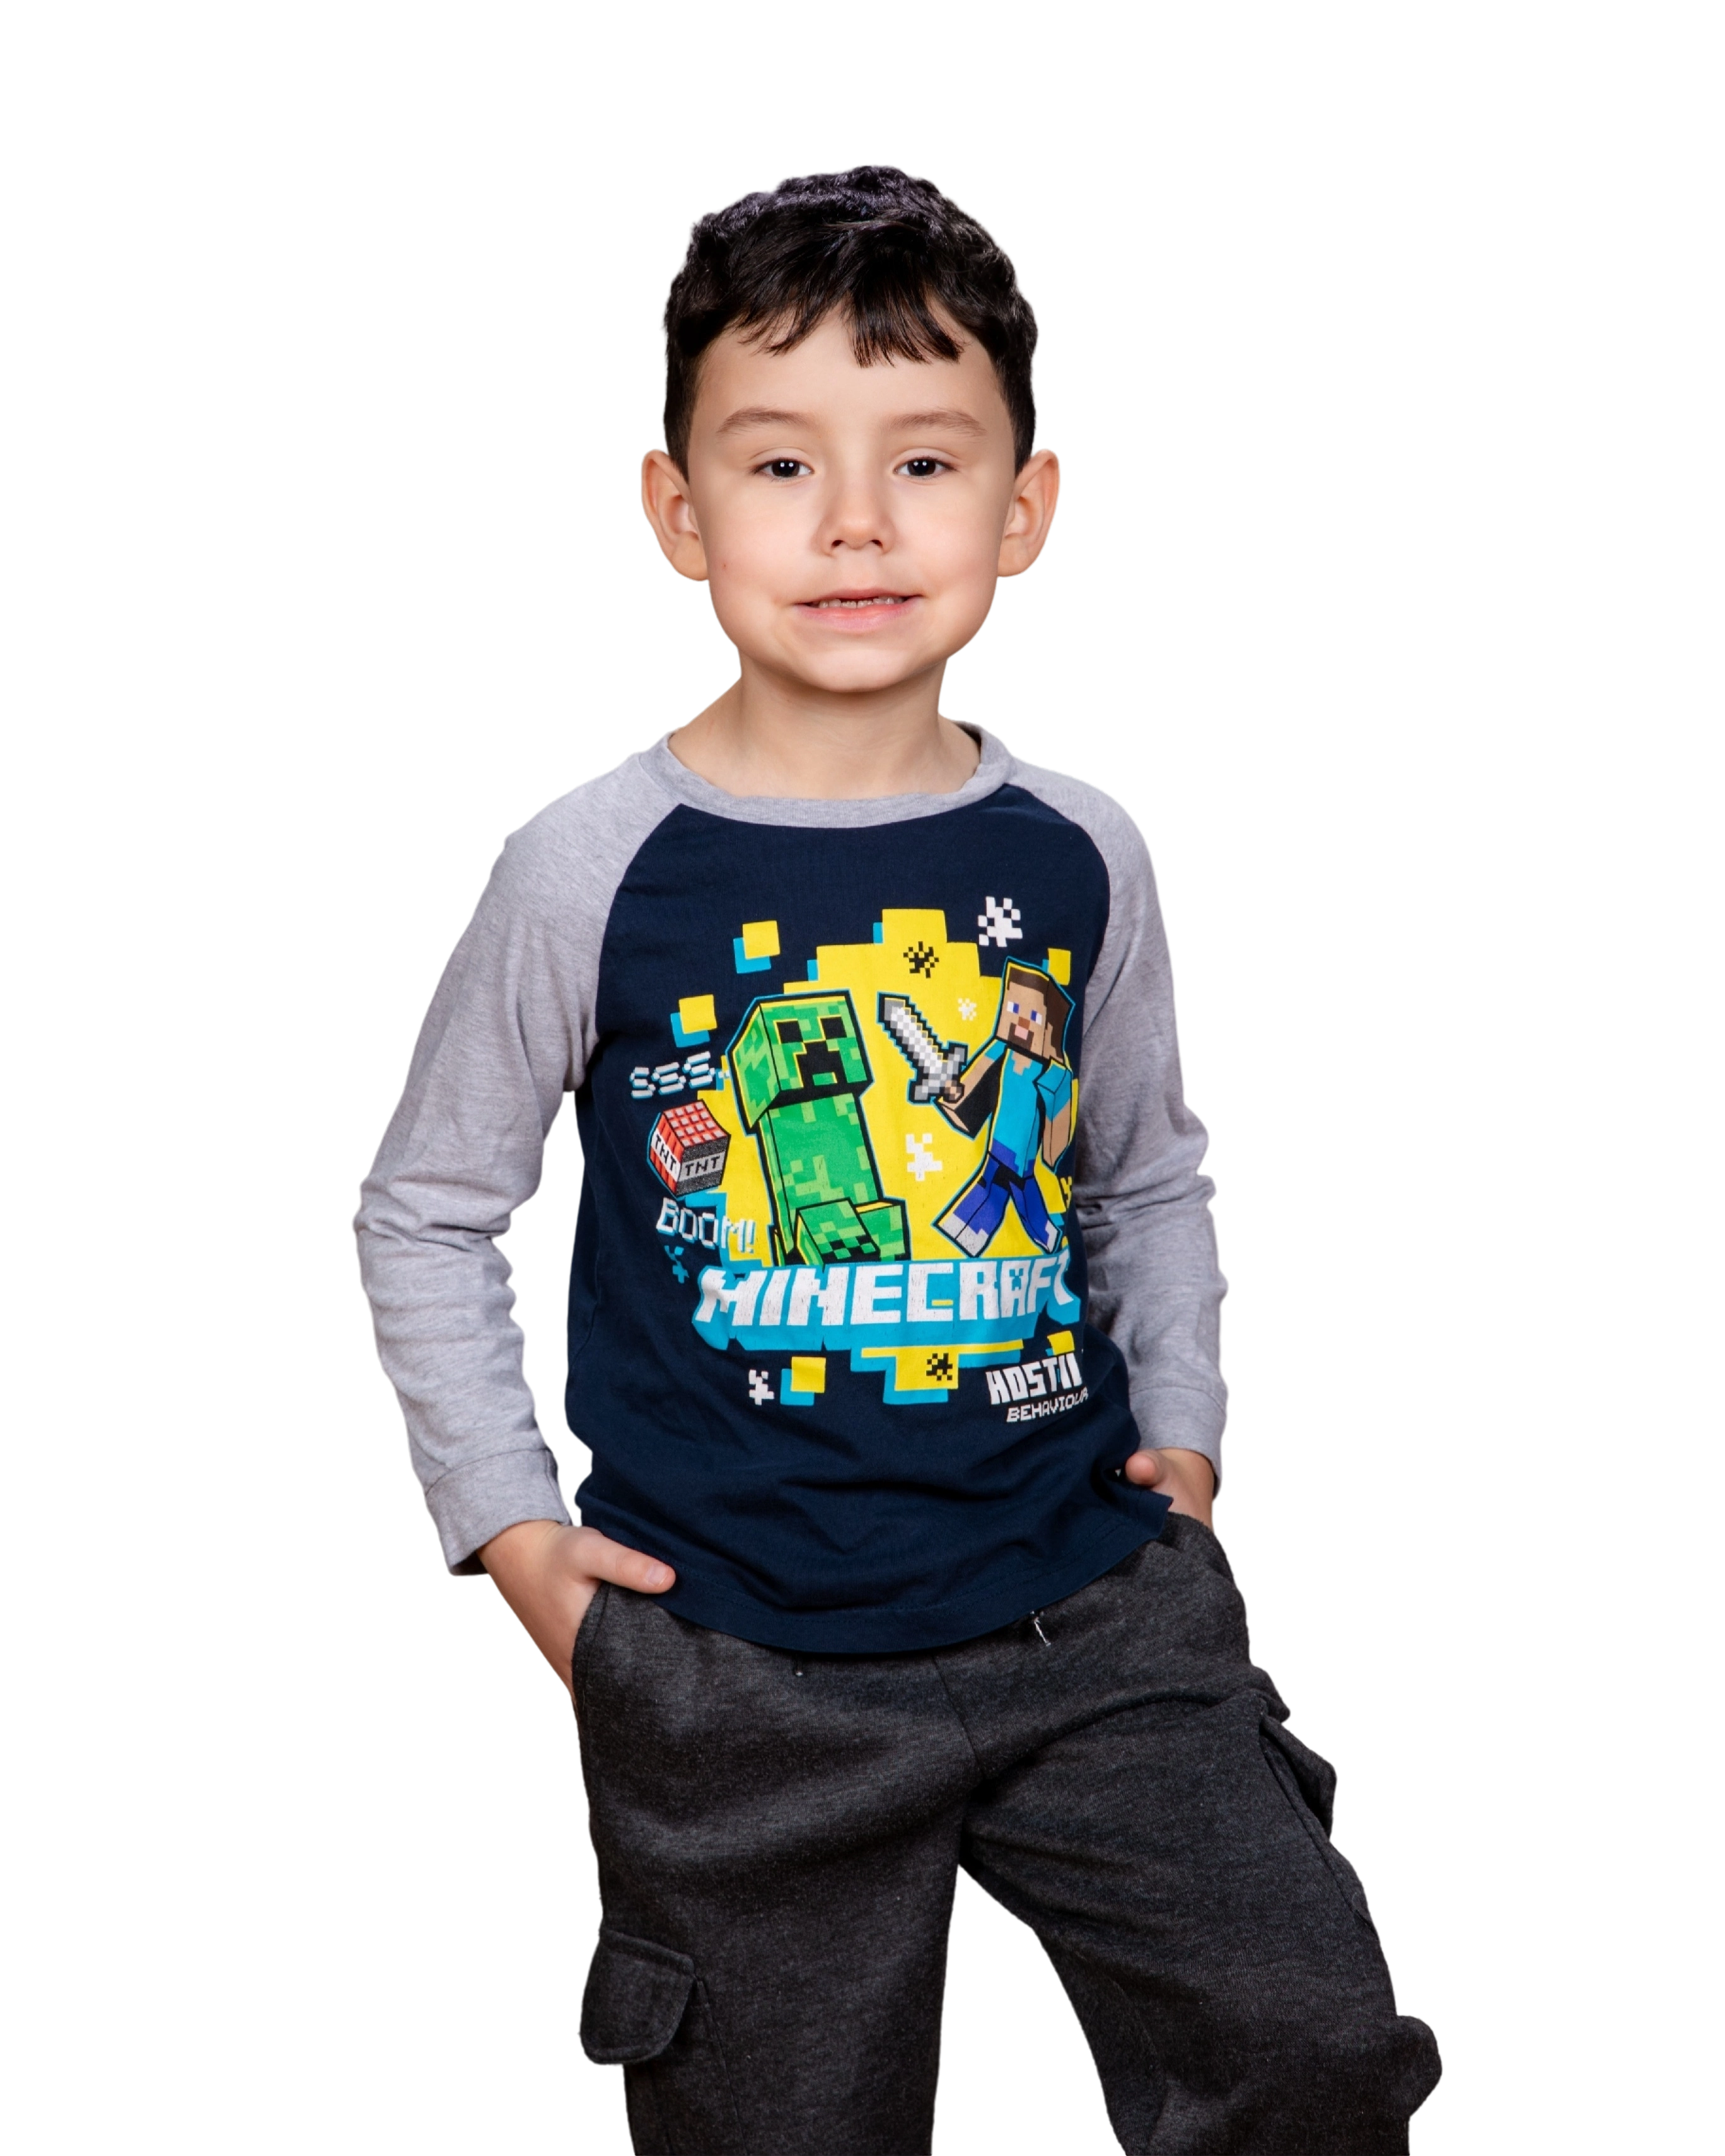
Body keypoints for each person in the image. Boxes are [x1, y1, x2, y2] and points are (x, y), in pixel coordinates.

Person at [351, 161, 1444, 2156]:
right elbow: (427, 1208)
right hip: (736, 1653)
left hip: (1092, 1610)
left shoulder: (1081, 849)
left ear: (1026, 505)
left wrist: (1188, 1437)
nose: (856, 521)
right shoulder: (586, 866)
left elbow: (1146, 1173)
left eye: (925, 460)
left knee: (1314, 2045)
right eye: (781, 464)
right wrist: (514, 1537)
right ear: (678, 510)